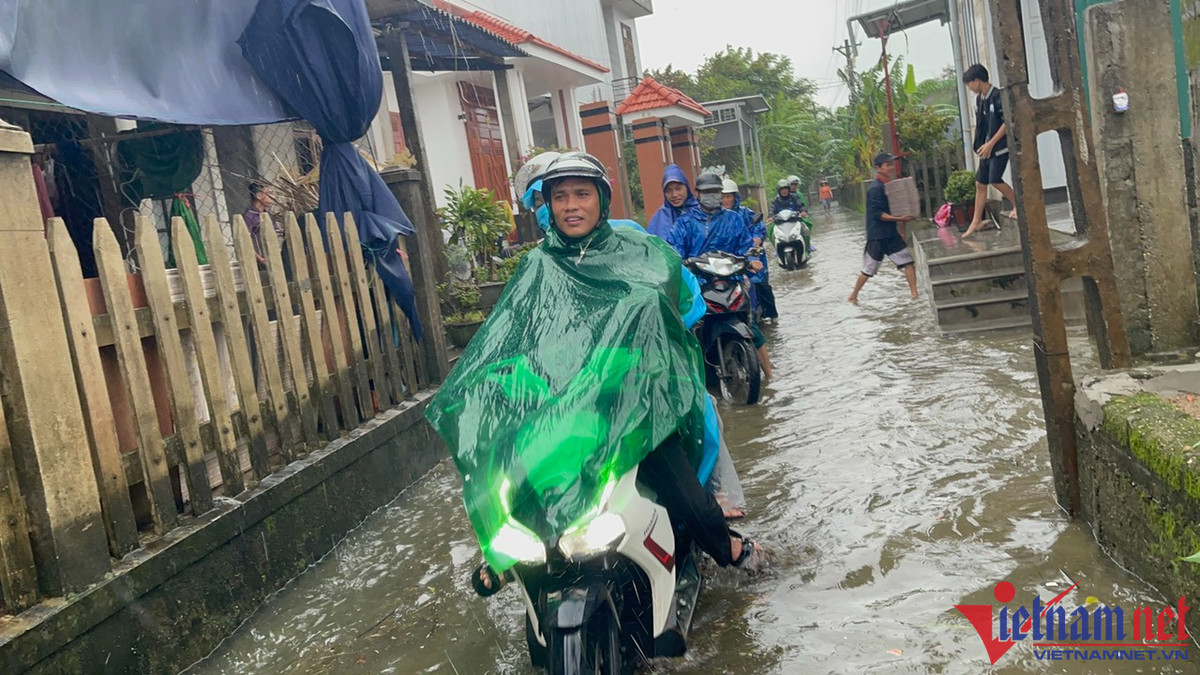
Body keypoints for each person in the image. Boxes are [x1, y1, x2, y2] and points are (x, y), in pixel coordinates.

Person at [429, 154, 765, 596]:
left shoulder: (642, 251)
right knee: (511, 471)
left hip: (633, 402)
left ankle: (730, 548)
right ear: (547, 204)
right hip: (563, 404)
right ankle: (507, 556)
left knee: (685, 492)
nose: (571, 205)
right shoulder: (536, 267)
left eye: (582, 194)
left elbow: (677, 304)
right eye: (560, 196)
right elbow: (507, 336)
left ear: (601, 200)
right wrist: (490, 380)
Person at [671, 174, 772, 378]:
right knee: (686, 327)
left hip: (730, 280)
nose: (712, 196)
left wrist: (751, 259)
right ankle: (690, 377)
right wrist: (681, 263)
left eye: (715, 192)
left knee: (751, 326)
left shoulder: (734, 219)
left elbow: (745, 245)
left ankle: (769, 373)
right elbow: (674, 250)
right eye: (707, 192)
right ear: (698, 194)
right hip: (698, 283)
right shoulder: (686, 223)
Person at [848, 153, 919, 304]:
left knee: (908, 263)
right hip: (877, 236)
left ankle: (914, 295)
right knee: (868, 270)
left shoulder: (887, 186)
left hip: (891, 234)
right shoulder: (875, 189)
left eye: (891, 165)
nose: (891, 168)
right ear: (878, 168)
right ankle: (853, 296)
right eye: (887, 165)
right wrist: (900, 219)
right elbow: (878, 214)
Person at [961, 63, 1018, 238]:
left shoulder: (998, 96)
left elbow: (1007, 123)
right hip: (985, 148)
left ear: (977, 81)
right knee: (980, 183)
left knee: (995, 179)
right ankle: (976, 220)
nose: (969, 88)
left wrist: (991, 144)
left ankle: (1018, 205)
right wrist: (981, 145)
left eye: (969, 84)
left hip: (999, 147)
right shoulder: (980, 100)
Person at [722, 179, 778, 324]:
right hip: (728, 259)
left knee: (760, 284)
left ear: (735, 197)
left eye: (728, 196)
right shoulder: (717, 219)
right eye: (722, 196)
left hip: (749, 256)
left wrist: (757, 239)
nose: (725, 200)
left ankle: (771, 315)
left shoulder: (745, 213)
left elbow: (758, 227)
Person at [647, 164, 698, 240]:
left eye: (678, 189)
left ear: (687, 187)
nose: (674, 195)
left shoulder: (700, 212)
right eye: (668, 191)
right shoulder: (659, 218)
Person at [242, 183, 285, 268]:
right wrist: (261, 259)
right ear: (259, 196)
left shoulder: (268, 215)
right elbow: (245, 241)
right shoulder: (249, 216)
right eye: (269, 193)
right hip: (260, 263)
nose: (273, 197)